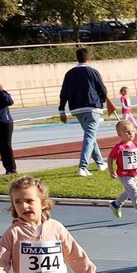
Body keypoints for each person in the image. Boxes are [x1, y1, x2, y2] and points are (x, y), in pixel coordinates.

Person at [57, 47, 110, 177]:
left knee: (90, 136)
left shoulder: (69, 73)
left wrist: (61, 110)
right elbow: (102, 89)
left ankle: (100, 163)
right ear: (89, 58)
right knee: (89, 136)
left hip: (76, 108)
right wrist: (103, 99)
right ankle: (83, 167)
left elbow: (63, 92)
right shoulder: (92, 71)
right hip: (92, 107)